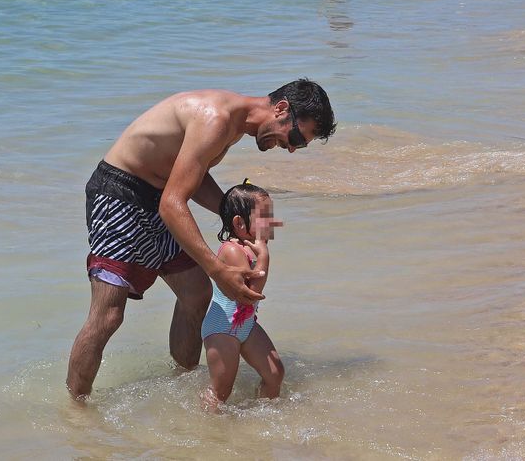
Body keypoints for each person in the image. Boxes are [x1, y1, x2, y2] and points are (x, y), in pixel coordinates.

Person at [65, 80, 336, 400]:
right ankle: (77, 411)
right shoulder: (216, 119)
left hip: (157, 195)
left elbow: (190, 173)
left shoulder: (234, 125)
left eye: (298, 146)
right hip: (120, 194)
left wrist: (233, 216)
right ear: (281, 110)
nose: (291, 149)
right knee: (109, 314)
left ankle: (182, 381)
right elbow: (172, 204)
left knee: (195, 293)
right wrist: (218, 270)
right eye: (295, 138)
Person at [201, 181, 283, 411]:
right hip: (223, 328)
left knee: (275, 373)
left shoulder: (252, 247)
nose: (272, 223)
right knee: (221, 392)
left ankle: (260, 415)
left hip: (245, 324)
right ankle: (207, 429)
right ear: (239, 223)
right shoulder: (232, 250)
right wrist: (264, 259)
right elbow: (250, 296)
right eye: (264, 217)